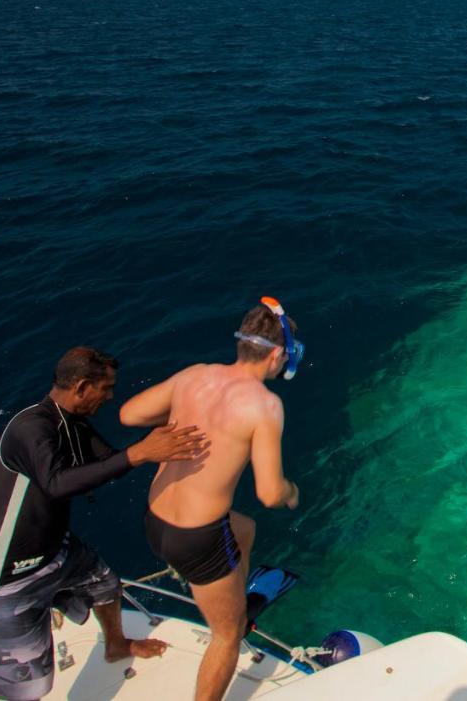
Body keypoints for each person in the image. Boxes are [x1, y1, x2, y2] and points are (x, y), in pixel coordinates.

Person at [0, 347, 209, 701]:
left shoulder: (72, 425)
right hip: (5, 580)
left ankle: (116, 645)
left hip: (56, 552)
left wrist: (175, 437)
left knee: (106, 585)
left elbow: (111, 461)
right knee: (28, 689)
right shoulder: (30, 428)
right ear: (81, 387)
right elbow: (57, 482)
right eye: (104, 389)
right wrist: (139, 452)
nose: (109, 397)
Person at [120, 297, 303, 701]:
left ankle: (236, 590)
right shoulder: (266, 405)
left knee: (245, 528)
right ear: (276, 355)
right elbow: (269, 493)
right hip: (198, 539)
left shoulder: (194, 376)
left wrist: (179, 418)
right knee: (227, 636)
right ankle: (233, 616)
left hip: (155, 519)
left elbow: (129, 415)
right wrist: (291, 492)